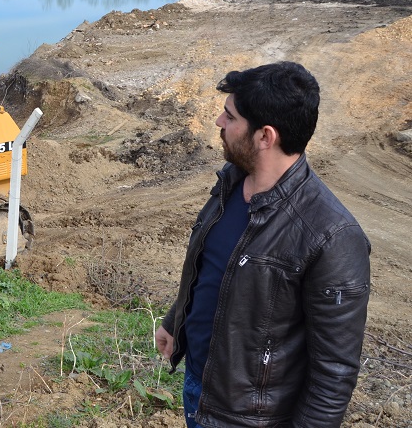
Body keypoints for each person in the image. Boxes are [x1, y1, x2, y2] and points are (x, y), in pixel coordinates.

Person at [155, 61, 370, 428]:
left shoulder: (332, 236)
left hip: (251, 419)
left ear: (265, 136)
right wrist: (177, 321)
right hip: (202, 388)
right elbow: (213, 269)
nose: (220, 123)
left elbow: (333, 373)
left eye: (230, 117)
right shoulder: (231, 184)